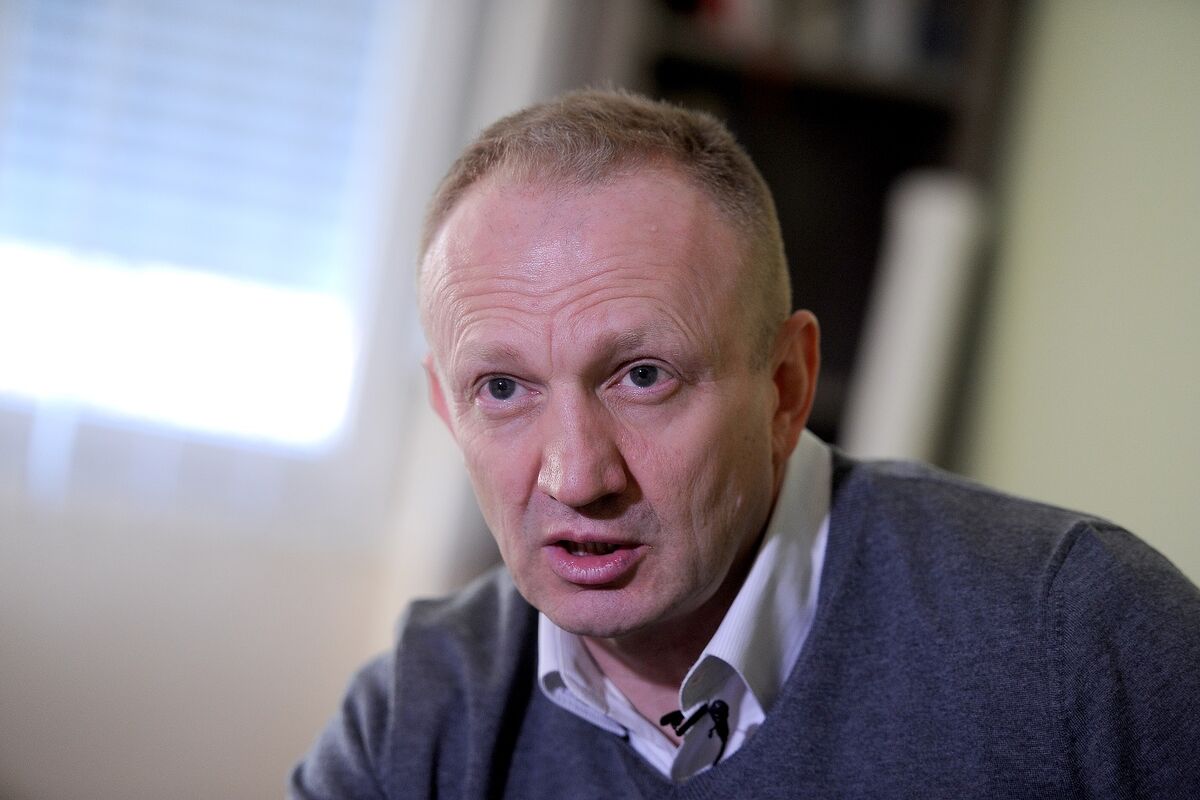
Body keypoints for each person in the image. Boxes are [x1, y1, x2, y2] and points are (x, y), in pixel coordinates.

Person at [290, 89, 1200, 799]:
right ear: (447, 410)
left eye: (642, 375)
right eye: (501, 389)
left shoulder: (1080, 635)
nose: (576, 476)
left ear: (787, 387)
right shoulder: (415, 718)